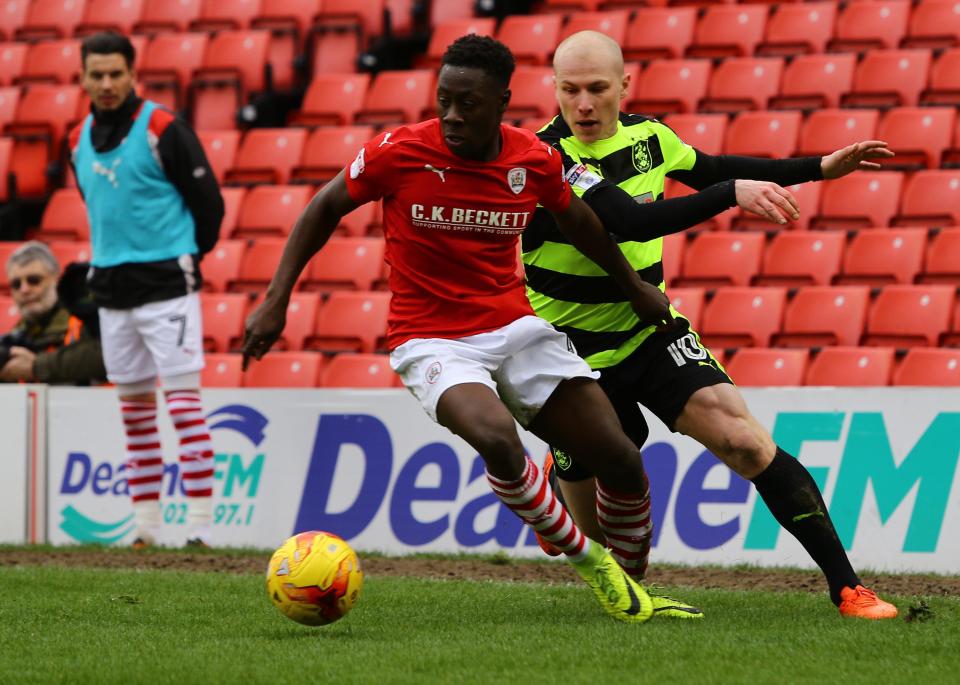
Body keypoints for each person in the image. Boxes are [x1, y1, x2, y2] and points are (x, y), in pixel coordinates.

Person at [245, 35, 696, 624]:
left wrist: (634, 285)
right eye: (444, 101)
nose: (453, 116)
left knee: (621, 459)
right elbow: (325, 205)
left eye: (469, 104)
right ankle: (596, 567)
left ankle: (630, 589)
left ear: (503, 102)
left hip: (513, 326)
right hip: (429, 337)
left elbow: (579, 219)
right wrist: (277, 298)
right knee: (499, 440)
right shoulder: (399, 151)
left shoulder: (531, 158)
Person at [522, 30, 898, 620]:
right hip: (570, 352)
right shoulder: (543, 155)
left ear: (624, 85)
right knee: (608, 545)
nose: (585, 105)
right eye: (570, 90)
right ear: (554, 89)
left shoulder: (651, 138)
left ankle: (848, 587)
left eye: (598, 89)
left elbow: (717, 166)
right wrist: (729, 194)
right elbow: (628, 222)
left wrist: (820, 168)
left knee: (745, 441)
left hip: (650, 331)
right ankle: (567, 469)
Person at [69, 32, 225, 549]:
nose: (107, 83)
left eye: (116, 73)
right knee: (134, 413)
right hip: (111, 295)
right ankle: (145, 530)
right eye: (97, 74)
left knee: (183, 406)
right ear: (84, 78)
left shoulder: (161, 126)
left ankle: (200, 528)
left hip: (167, 289)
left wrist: (186, 257)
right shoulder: (77, 139)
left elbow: (209, 204)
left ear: (134, 73)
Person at [1, 241, 106, 385]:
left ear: (56, 280)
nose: (24, 290)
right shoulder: (16, 336)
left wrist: (36, 366)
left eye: (34, 280)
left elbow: (106, 354)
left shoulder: (84, 320)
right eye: (16, 284)